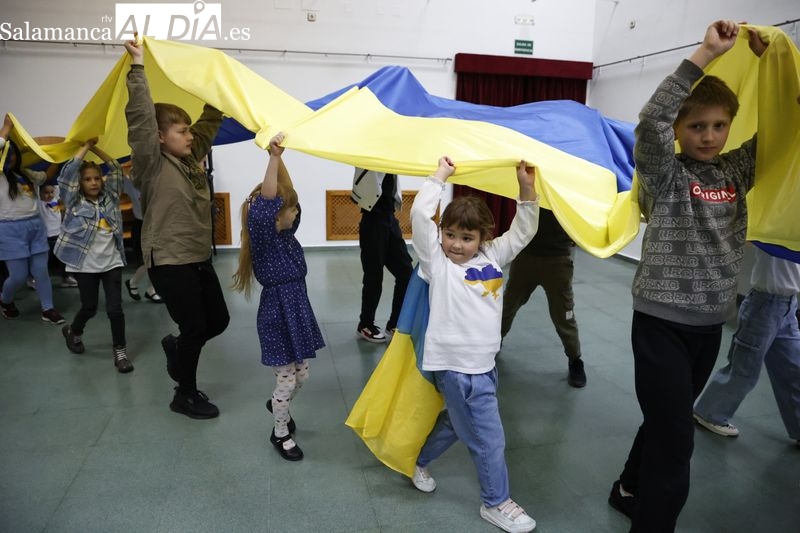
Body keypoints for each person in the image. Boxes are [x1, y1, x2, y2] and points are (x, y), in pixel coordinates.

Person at [607, 21, 769, 532]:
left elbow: (788, 124)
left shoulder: (736, 171)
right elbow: (651, 118)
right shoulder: (665, 172)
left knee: (666, 420)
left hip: (708, 326)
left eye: (719, 125)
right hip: (659, 324)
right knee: (678, 443)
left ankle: (628, 487)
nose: (709, 136)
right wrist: (705, 53)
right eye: (697, 126)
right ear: (680, 131)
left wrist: (774, 62)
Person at [409, 156, 540, 533]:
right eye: (450, 235)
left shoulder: (493, 256)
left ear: (483, 238)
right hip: (456, 366)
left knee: (454, 420)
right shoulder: (437, 263)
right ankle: (495, 502)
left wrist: (526, 189)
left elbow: (523, 230)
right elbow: (420, 216)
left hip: (484, 363)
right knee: (488, 439)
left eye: (467, 238)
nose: (456, 244)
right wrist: (438, 176)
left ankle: (416, 459)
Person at [124, 37, 230, 418]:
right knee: (197, 327)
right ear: (159, 138)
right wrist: (138, 67)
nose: (189, 136)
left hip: (196, 256)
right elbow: (139, 118)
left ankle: (176, 344)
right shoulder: (151, 163)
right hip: (167, 259)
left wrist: (220, 83)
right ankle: (183, 393)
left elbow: (210, 121)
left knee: (217, 320)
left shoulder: (190, 156)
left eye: (188, 131)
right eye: (180, 131)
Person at [232, 132, 325, 462]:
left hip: (296, 312)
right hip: (277, 317)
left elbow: (286, 193)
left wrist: (281, 158)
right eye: (290, 209)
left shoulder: (286, 237)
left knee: (303, 376)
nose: (296, 212)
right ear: (272, 216)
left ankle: (278, 405)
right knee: (286, 383)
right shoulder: (266, 239)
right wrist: (271, 158)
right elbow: (270, 201)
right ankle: (280, 433)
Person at [693, 245, 800, 447]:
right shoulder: (776, 230)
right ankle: (709, 413)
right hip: (765, 305)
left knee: (794, 367)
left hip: (788, 305)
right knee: (744, 370)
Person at [56, 139, 133, 373]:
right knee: (89, 307)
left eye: (96, 178)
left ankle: (120, 351)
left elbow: (117, 169)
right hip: (84, 265)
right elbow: (66, 176)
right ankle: (73, 331)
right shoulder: (73, 201)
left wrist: (98, 149)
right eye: (88, 179)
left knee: (115, 310)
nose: (93, 182)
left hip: (111, 262)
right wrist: (85, 147)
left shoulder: (110, 197)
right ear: (80, 183)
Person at [501, 208, 587, 387]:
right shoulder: (531, 181)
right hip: (525, 256)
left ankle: (575, 360)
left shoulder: (569, 186)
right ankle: (492, 344)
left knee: (564, 314)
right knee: (506, 307)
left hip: (558, 259)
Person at [0, 114, 64, 323]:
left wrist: (58, 158)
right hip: (9, 230)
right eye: (5, 154)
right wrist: (6, 129)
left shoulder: (26, 174)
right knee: (18, 276)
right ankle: (5, 300)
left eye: (12, 154)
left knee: (41, 272)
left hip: (35, 226)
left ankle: (48, 309)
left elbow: (45, 177)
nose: (10, 158)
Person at [352, 167, 413, 343]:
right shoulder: (368, 150)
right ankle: (365, 324)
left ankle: (394, 323)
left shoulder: (392, 152)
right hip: (372, 219)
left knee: (406, 273)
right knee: (373, 275)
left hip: (389, 218)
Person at [121, 168, 162, 303]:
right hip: (141, 225)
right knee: (147, 261)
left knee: (157, 260)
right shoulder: (131, 184)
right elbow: (115, 168)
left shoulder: (156, 183)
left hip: (157, 225)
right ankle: (133, 283)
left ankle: (151, 289)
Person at [37, 183, 78, 288]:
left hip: (58, 236)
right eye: (46, 193)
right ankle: (37, 280)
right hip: (45, 238)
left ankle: (65, 278)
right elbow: (36, 188)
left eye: (51, 192)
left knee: (63, 259)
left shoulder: (56, 200)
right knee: (43, 262)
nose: (50, 195)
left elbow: (59, 186)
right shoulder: (39, 203)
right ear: (39, 193)